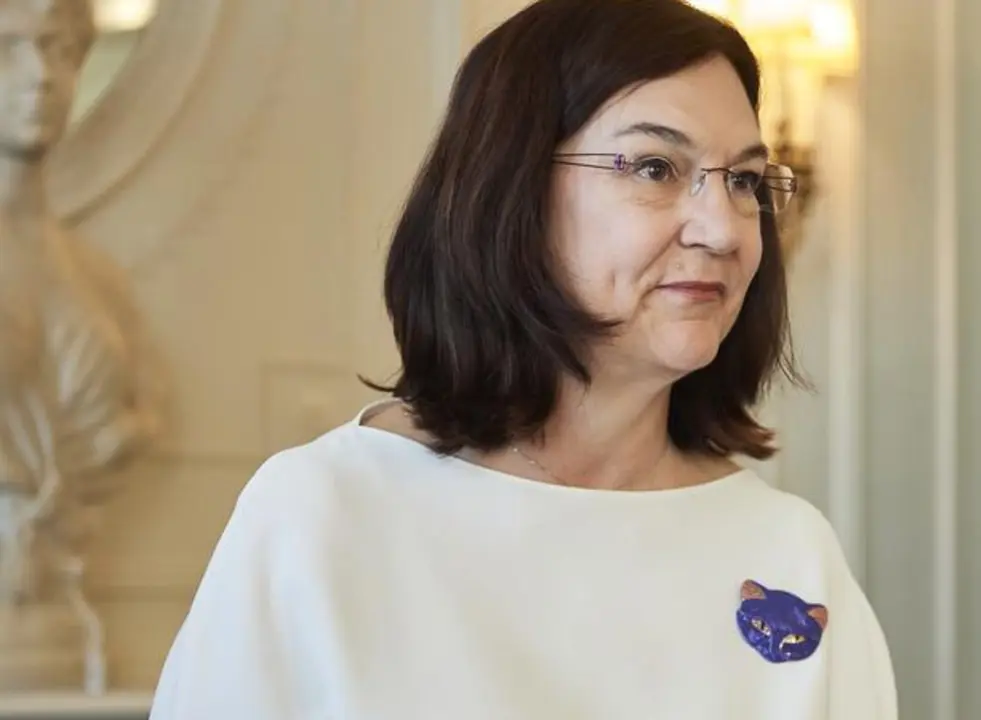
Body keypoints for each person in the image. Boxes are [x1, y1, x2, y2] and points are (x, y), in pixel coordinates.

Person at [149, 0, 897, 717]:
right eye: (654, 168)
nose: (724, 230)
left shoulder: (788, 551)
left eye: (743, 181)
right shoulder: (324, 514)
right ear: (511, 189)